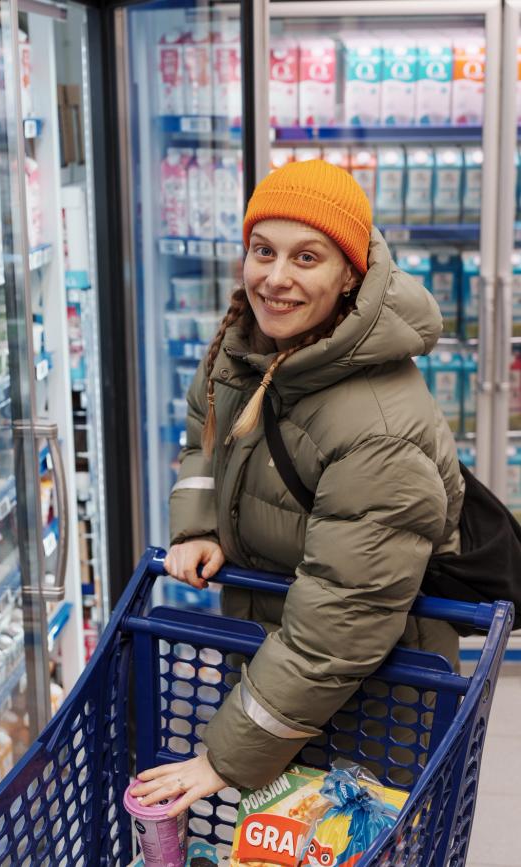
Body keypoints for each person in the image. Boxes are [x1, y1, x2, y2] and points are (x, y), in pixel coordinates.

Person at [131, 159, 464, 818]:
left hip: (376, 705)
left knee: (352, 839)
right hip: (280, 668)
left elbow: (345, 617)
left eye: (306, 257)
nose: (275, 277)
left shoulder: (378, 430)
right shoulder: (245, 348)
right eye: (263, 250)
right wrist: (198, 522)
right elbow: (206, 433)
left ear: (350, 275)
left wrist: (227, 757)